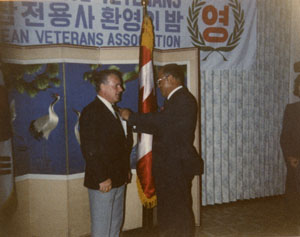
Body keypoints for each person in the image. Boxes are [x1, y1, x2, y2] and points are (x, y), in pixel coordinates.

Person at [120, 63, 203, 237]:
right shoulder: (176, 99)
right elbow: (163, 123)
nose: (158, 85)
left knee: (177, 212)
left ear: (170, 79)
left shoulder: (182, 99)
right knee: (173, 210)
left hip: (176, 165)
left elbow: (161, 122)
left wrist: (132, 117)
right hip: (172, 165)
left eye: (159, 81)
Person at [79, 69, 133, 237]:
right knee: (102, 227)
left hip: (118, 178)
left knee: (115, 222)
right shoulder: (91, 112)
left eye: (120, 85)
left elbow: (121, 146)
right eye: (116, 85)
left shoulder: (116, 111)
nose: (121, 89)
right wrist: (102, 177)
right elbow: (90, 148)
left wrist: (125, 171)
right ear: (102, 87)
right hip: (103, 181)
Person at [280, 75, 300, 229]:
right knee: (294, 195)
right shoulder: (292, 109)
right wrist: (289, 156)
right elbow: (285, 136)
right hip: (297, 160)